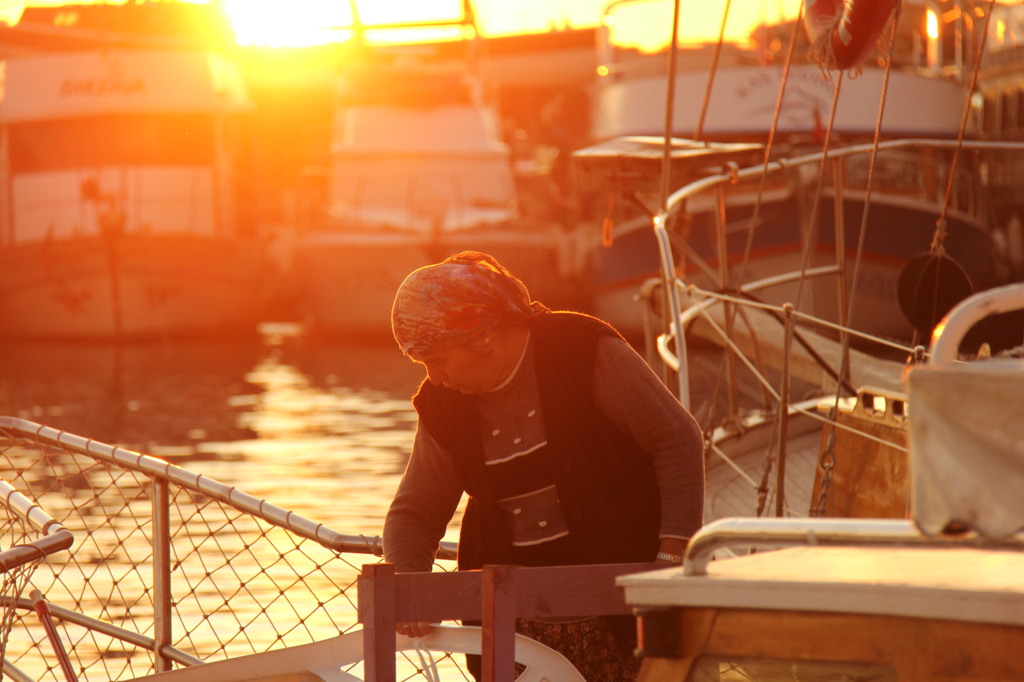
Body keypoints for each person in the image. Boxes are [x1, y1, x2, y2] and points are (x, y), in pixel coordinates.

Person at [383, 251, 705, 681]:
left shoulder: (581, 348)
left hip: (626, 609)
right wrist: (410, 584)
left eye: (437, 359)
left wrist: (670, 560)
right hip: (512, 627)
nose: (435, 377)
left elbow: (677, 440)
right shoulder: (443, 404)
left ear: (483, 337)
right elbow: (414, 513)